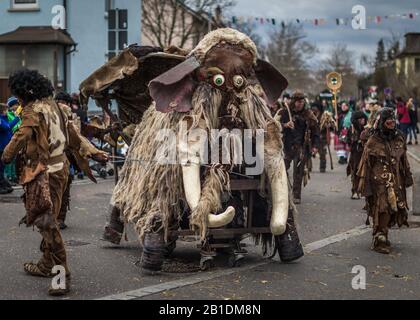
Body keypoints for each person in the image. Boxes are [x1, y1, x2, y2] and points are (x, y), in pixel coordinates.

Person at [2, 69, 108, 296]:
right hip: (61, 171)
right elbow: (74, 136)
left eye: (18, 94)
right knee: (48, 222)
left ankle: (62, 276)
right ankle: (45, 264)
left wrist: (5, 156)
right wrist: (95, 152)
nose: (18, 99)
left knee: (46, 224)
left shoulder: (32, 110)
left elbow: (20, 136)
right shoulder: (57, 107)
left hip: (43, 174)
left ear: (24, 92)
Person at [357, 108, 413, 254]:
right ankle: (379, 237)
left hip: (395, 179)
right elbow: (365, 164)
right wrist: (365, 185)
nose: (392, 124)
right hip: (378, 180)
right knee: (382, 207)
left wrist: (407, 176)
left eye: (393, 121)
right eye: (388, 122)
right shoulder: (372, 140)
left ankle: (383, 232)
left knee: (395, 207)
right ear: (382, 122)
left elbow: (403, 161)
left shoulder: (398, 138)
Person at [279, 90, 320, 204]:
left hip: (301, 146)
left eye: (301, 101)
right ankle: (282, 192)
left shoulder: (309, 114)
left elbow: (316, 131)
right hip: (286, 145)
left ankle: (296, 195)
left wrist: (315, 146)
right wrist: (285, 125)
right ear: (293, 101)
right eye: (297, 101)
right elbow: (273, 125)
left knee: (298, 172)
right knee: (282, 169)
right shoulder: (285, 112)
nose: (299, 104)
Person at [346, 111, 368, 199]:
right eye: (361, 119)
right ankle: (354, 191)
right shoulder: (352, 129)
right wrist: (355, 141)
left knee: (365, 172)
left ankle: (362, 190)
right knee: (355, 171)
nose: (363, 120)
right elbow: (348, 141)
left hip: (365, 152)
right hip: (355, 153)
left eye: (363, 118)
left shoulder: (366, 128)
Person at [0, 103, 21, 194]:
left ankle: (4, 184)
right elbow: (7, 127)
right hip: (0, 147)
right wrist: (16, 118)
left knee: (2, 167)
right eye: (5, 110)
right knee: (0, 167)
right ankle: (1, 185)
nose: (7, 112)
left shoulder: (3, 118)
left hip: (5, 146)